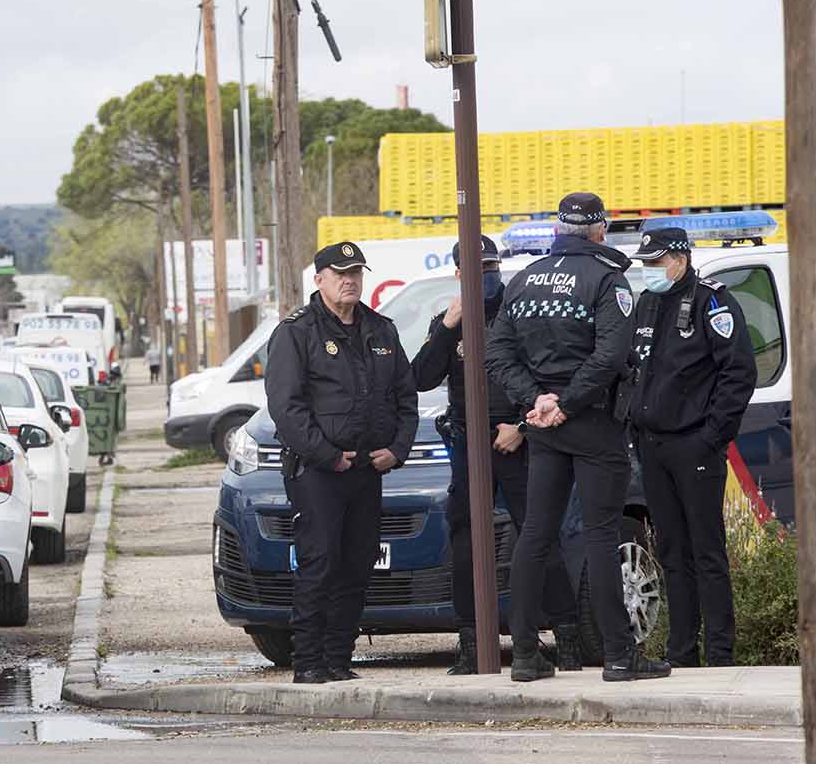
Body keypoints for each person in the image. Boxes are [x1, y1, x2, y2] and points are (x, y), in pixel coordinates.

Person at [487, 192, 671, 683]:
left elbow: (496, 351)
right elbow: (612, 355)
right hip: (591, 423)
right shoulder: (608, 279)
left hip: (544, 427)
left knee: (535, 534)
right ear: (599, 230)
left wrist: (538, 400)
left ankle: (525, 653)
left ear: (558, 231)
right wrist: (565, 404)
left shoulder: (524, 280)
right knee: (600, 535)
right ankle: (618, 654)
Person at [412, 235, 580, 676]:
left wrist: (522, 428)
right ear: (459, 275)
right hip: (470, 442)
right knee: (466, 539)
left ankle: (567, 637)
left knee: (538, 536)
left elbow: (551, 377)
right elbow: (421, 378)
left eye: (490, 267)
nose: (486, 276)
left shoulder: (520, 311)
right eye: (477, 269)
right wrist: (446, 330)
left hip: (519, 439)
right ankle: (471, 641)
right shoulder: (450, 321)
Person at [265, 241, 419, 684]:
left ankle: (338, 657)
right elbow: (286, 408)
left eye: (356, 273)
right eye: (340, 274)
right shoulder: (297, 332)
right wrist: (328, 456)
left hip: (368, 470)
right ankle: (308, 662)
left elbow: (405, 398)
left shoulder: (380, 330)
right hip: (318, 472)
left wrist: (398, 449)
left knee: (357, 563)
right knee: (320, 563)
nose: (350, 280)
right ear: (319, 280)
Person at [626, 227, 756, 667]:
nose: (650, 270)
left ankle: (720, 653)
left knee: (706, 552)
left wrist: (711, 436)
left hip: (694, 445)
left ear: (680, 259)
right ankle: (681, 652)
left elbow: (738, 373)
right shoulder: (646, 303)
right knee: (672, 553)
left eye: (656, 262)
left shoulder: (712, 301)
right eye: (645, 263)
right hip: (653, 445)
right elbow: (633, 369)